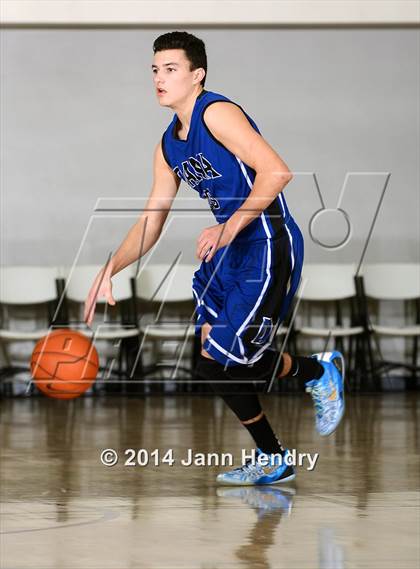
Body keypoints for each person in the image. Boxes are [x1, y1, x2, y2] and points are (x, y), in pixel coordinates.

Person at [84, 31, 345, 486]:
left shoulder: (218, 113)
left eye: (170, 69)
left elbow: (277, 172)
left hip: (264, 242)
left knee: (228, 359)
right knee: (211, 363)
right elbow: (153, 218)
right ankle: (276, 455)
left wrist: (227, 226)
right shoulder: (168, 145)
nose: (159, 79)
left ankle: (319, 372)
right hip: (226, 254)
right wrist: (111, 269)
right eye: (154, 70)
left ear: (196, 75)